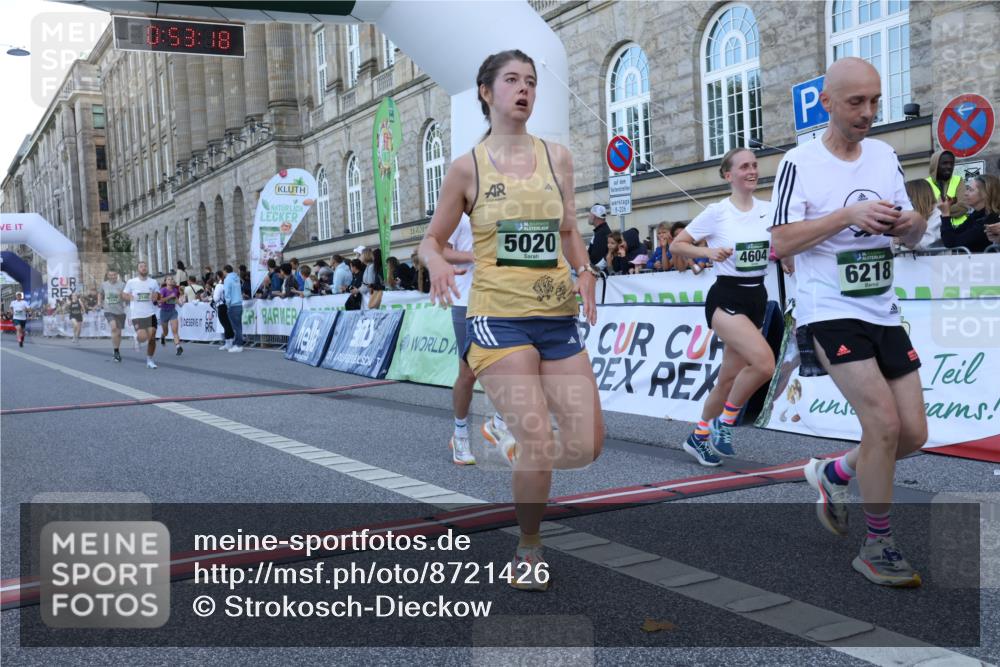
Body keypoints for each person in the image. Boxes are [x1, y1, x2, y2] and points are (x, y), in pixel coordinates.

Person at [418, 49, 603, 592]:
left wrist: (586, 270)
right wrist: (435, 264)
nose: (523, 90)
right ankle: (529, 546)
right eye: (511, 81)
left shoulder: (558, 158)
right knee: (538, 437)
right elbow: (429, 240)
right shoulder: (466, 167)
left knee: (589, 443)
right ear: (485, 92)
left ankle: (523, 450)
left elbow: (569, 229)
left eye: (530, 82)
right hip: (497, 318)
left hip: (556, 317)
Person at [770, 57, 928, 587]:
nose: (868, 113)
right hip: (829, 310)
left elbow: (912, 232)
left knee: (913, 434)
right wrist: (846, 215)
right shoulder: (800, 161)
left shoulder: (884, 155)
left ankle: (834, 472)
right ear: (827, 102)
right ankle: (878, 545)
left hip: (882, 308)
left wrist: (912, 223)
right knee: (882, 425)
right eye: (856, 102)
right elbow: (780, 242)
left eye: (875, 101)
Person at [670, 147, 776, 466]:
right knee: (764, 364)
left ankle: (698, 436)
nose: (752, 171)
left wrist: (786, 258)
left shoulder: (769, 210)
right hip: (726, 299)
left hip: (757, 296)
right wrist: (707, 254)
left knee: (727, 380)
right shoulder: (717, 212)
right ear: (729, 175)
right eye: (744, 167)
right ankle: (725, 423)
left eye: (755, 165)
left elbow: (781, 243)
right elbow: (677, 244)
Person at [942, 174, 1000, 252]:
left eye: (970, 190)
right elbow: (952, 235)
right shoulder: (976, 215)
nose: (965, 193)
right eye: (967, 189)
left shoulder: (990, 219)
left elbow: (951, 243)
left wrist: (945, 213)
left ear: (985, 194)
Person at [122, 261, 162, 369]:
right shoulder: (131, 282)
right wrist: (129, 297)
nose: (143, 268)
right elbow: (124, 294)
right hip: (137, 315)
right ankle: (137, 338)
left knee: (152, 337)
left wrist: (156, 296)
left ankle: (150, 360)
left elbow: (158, 295)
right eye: (141, 266)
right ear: (138, 269)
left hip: (150, 313)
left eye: (145, 266)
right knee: (143, 337)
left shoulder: (153, 282)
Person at [925, 149, 967, 229]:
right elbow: (924, 211)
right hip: (934, 232)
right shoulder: (925, 183)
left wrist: (938, 209)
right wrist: (952, 204)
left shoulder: (958, 180)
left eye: (951, 163)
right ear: (935, 165)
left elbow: (963, 206)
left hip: (959, 230)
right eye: (945, 163)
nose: (949, 166)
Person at [898, 179, 943, 251]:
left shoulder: (938, 214)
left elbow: (924, 244)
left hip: (934, 261)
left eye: (907, 197)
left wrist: (902, 241)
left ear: (916, 197)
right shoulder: (915, 214)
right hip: (910, 261)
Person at [99, 270, 126, 361]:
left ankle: (117, 349)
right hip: (108, 310)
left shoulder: (122, 284)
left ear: (117, 275)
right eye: (110, 275)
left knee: (118, 333)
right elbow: (100, 293)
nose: (112, 276)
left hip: (120, 311)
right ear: (107, 275)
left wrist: (121, 295)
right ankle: (116, 351)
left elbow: (126, 297)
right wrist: (99, 302)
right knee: (113, 328)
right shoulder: (104, 284)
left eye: (114, 275)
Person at [158, 275, 183, 356]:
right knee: (166, 332)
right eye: (168, 279)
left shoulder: (175, 290)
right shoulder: (163, 290)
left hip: (173, 312)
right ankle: (162, 336)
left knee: (175, 331)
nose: (171, 280)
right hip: (164, 312)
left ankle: (178, 347)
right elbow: (160, 301)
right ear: (166, 282)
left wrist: (180, 303)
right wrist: (169, 297)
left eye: (172, 279)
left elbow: (175, 299)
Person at [223, 264, 244, 352]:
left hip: (233, 304)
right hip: (239, 303)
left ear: (225, 271)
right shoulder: (237, 278)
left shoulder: (227, 279)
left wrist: (228, 304)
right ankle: (237, 343)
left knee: (236, 326)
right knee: (238, 326)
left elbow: (227, 293)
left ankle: (238, 345)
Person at [212, 270, 234, 350]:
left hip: (221, 306)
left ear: (218, 276)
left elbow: (216, 298)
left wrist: (213, 295)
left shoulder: (219, 286)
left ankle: (228, 342)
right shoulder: (227, 284)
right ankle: (229, 342)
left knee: (225, 324)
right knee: (228, 323)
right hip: (228, 305)